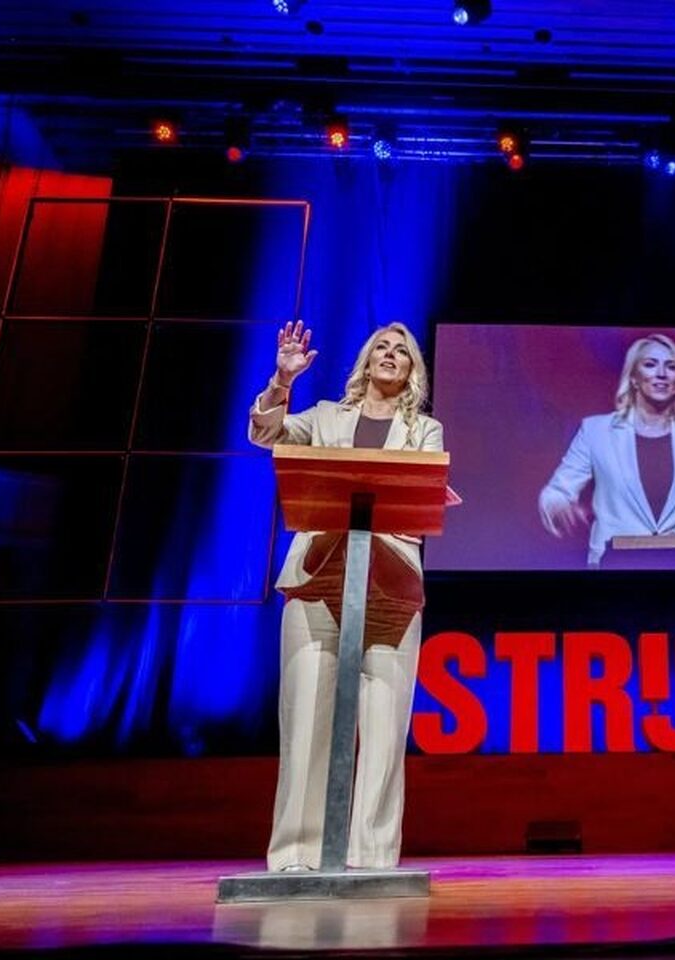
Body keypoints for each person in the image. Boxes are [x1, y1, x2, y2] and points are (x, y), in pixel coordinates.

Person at [248, 319, 442, 872]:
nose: (390, 354)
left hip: (390, 588)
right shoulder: (325, 417)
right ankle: (297, 852)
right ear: (366, 361)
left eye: (401, 351)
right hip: (318, 580)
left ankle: (372, 856)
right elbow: (265, 435)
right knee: (305, 721)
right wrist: (282, 382)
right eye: (381, 347)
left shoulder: (425, 430)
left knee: (384, 730)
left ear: (412, 370)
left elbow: (424, 492)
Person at [538, 333, 675, 566]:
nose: (661, 373)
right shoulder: (596, 431)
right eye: (650, 364)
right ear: (633, 377)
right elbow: (556, 492)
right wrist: (559, 506)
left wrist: (667, 543)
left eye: (671, 367)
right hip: (614, 565)